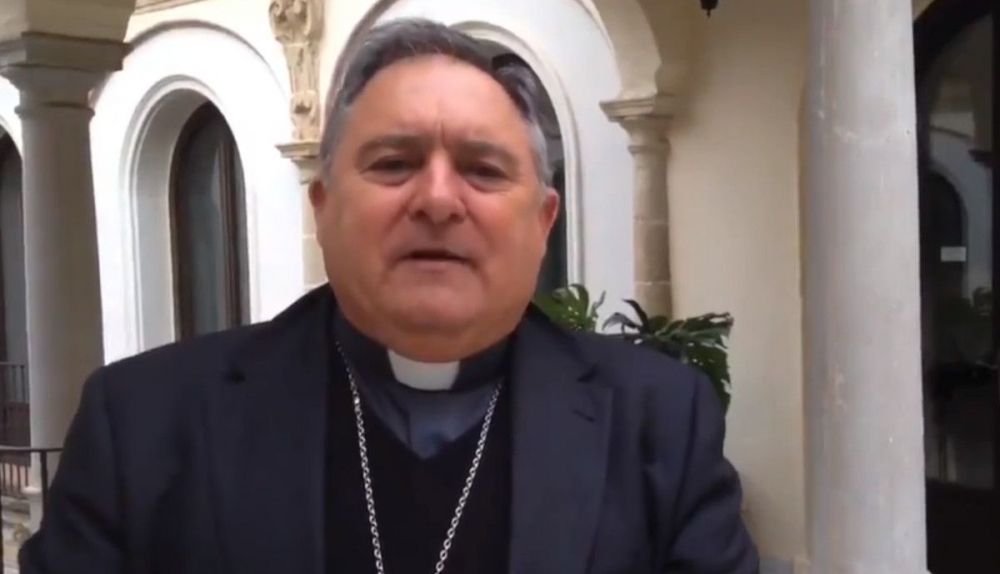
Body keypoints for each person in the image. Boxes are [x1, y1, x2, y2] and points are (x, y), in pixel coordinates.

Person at [20, 18, 758, 574]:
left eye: (483, 170)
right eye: (394, 163)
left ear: (543, 223)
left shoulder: (660, 424)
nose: (437, 199)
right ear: (323, 209)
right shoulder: (145, 426)